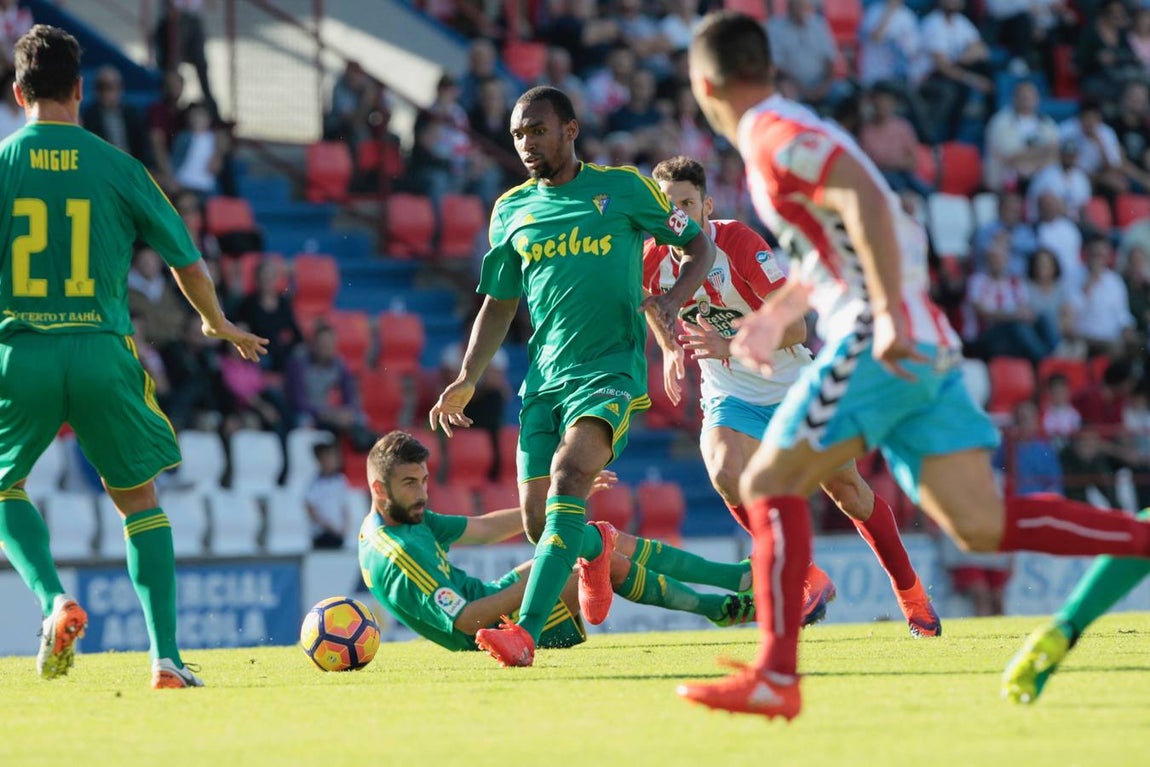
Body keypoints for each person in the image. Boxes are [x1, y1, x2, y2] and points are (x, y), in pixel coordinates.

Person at [679, 12, 1150, 720]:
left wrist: (890, 308)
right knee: (979, 523)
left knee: (770, 479)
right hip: (916, 335)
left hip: (877, 333)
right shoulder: (789, 128)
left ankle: (777, 674)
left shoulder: (772, 136)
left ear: (704, 83)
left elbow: (868, 200)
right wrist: (781, 312)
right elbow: (843, 237)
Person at [0, 25, 266, 688]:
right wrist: (217, 322)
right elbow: (187, 261)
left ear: (17, 91)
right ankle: (166, 658)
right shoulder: (119, 166)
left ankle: (53, 598)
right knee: (140, 502)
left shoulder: (3, 164)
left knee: (3, 487)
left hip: (21, 351)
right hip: (103, 349)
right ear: (80, 91)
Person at [429, 85, 716, 668]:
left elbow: (699, 245)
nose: (527, 143)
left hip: (610, 370)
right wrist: (466, 376)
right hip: (543, 382)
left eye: (537, 129)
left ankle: (525, 633)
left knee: (569, 474)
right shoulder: (510, 209)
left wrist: (671, 301)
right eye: (517, 134)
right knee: (541, 525)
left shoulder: (625, 188)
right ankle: (597, 549)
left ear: (570, 129)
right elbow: (500, 303)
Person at [642, 154, 940, 636]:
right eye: (667, 204)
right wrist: (669, 348)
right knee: (724, 473)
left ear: (706, 205)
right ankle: (805, 576)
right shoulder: (653, 256)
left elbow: (798, 326)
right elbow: (652, 303)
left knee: (848, 494)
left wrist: (729, 342)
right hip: (730, 393)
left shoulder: (737, 242)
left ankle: (912, 594)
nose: (677, 213)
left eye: (687, 203)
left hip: (790, 386)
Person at [358, 432, 755, 652]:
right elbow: (465, 620)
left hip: (491, 596)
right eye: (411, 483)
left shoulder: (405, 517)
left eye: (425, 480)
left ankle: (727, 593)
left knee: (586, 538)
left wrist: (555, 506)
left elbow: (480, 529)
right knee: (598, 550)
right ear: (378, 488)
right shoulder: (399, 554)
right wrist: (533, 587)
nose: (423, 493)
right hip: (493, 630)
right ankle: (724, 598)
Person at [306, 440, 352, 549]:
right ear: (320, 460)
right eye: (327, 458)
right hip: (322, 534)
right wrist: (329, 527)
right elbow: (310, 509)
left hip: (339, 533)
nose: (331, 461)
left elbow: (344, 506)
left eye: (333, 457)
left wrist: (344, 527)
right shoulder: (314, 483)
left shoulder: (341, 481)